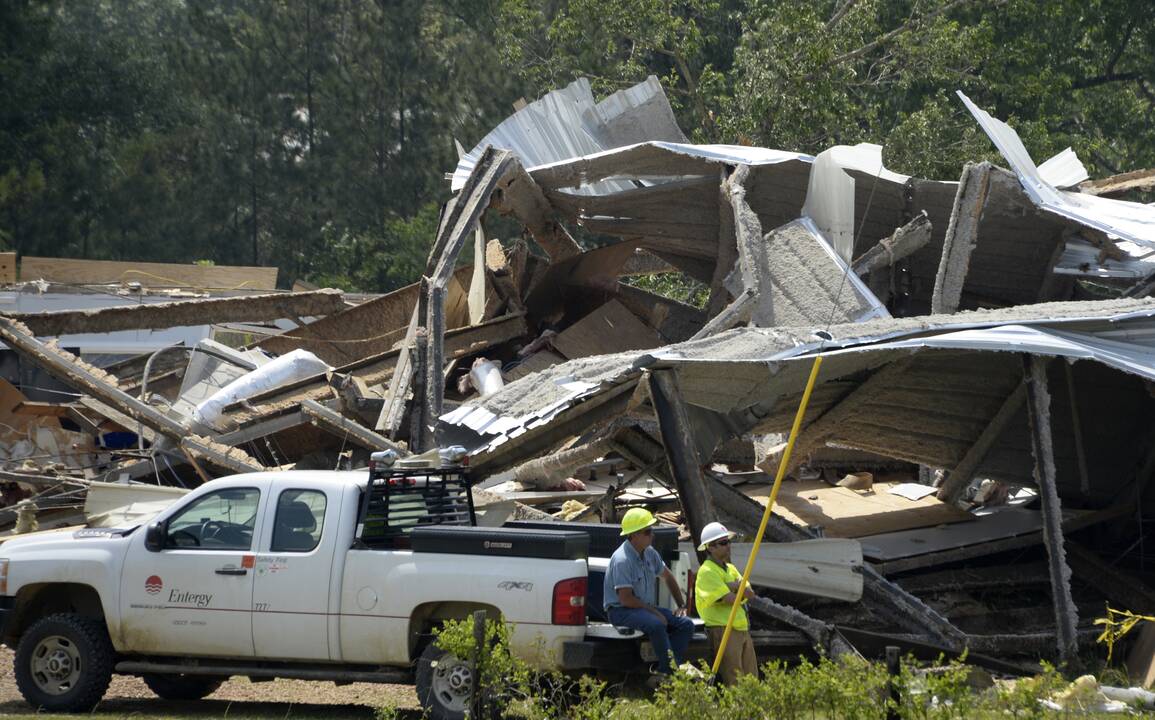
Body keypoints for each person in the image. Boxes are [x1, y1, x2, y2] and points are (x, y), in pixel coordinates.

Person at [603, 508, 694, 676]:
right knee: (657, 624)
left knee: (686, 624)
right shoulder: (622, 560)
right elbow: (626, 599)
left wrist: (681, 605)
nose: (652, 535)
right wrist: (654, 613)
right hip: (621, 611)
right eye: (648, 531)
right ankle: (670, 672)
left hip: (642, 609)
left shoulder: (650, 553)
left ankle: (666, 669)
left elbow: (668, 577)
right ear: (634, 535)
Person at [694, 521, 758, 684]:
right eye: (723, 543)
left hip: (741, 627)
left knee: (751, 676)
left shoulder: (731, 568)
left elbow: (750, 594)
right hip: (723, 629)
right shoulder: (706, 571)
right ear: (710, 547)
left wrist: (731, 587)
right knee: (734, 678)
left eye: (728, 541)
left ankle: (753, 708)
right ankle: (737, 709)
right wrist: (736, 586)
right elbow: (730, 599)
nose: (728, 546)